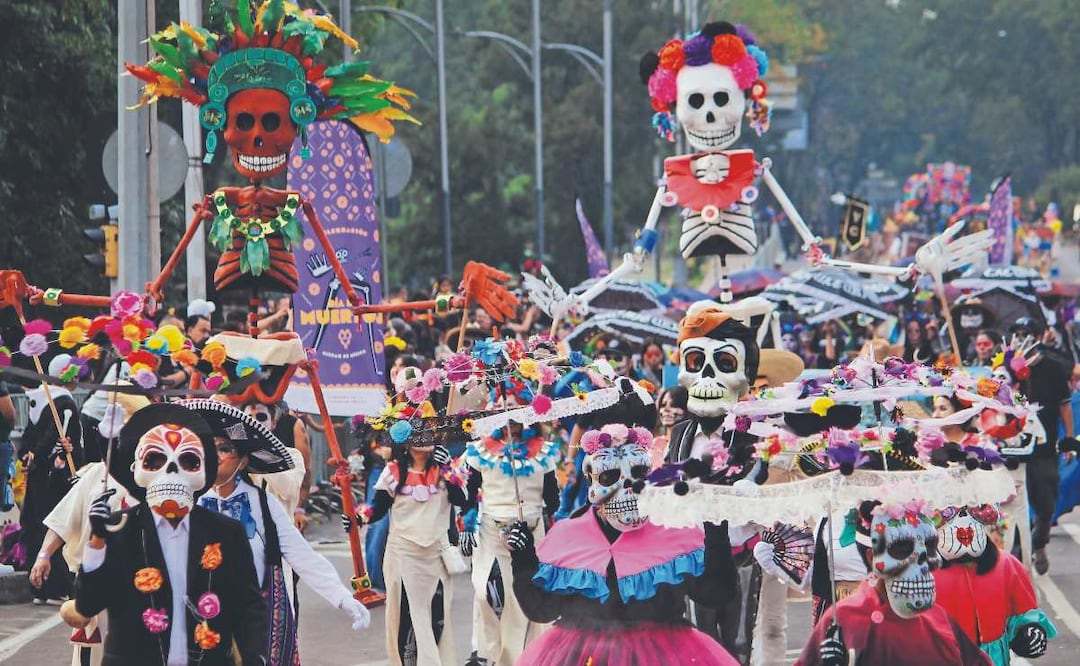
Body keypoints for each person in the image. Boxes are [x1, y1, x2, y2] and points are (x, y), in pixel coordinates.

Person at [510, 421, 739, 665]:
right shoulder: (567, 535)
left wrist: (716, 533)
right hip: (582, 655)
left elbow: (715, 594)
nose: (628, 487)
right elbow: (542, 610)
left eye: (639, 473)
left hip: (663, 655)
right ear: (591, 480)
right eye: (609, 476)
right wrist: (523, 561)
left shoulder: (674, 530)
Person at [68, 403, 268, 665]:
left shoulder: (226, 532)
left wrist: (256, 658)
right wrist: (97, 540)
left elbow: (248, 606)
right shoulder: (120, 530)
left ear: (203, 470)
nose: (172, 470)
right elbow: (88, 605)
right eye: (155, 460)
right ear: (136, 470)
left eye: (188, 460)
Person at [190, 399, 370, 664]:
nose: (215, 456)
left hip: (256, 616)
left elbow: (301, 555)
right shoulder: (193, 502)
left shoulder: (263, 504)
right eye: (210, 448)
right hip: (204, 614)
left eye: (225, 449)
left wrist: (342, 597)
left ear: (242, 462)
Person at [795, 501, 991, 666]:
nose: (922, 563)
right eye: (902, 548)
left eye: (930, 547)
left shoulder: (939, 619)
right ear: (872, 558)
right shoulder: (845, 620)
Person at [343, 425, 469, 666]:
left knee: (436, 618)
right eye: (417, 435)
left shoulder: (445, 470)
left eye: (428, 434)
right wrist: (357, 517)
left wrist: (447, 470)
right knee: (404, 617)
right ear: (406, 443)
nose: (423, 440)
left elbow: (461, 499)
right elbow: (377, 508)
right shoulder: (392, 472)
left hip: (436, 554)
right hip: (403, 554)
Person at [461, 422, 560, 666]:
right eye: (506, 419)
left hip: (531, 535)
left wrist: (529, 515)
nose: (511, 425)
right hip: (490, 535)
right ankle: (485, 651)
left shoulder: (543, 453)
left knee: (522, 601)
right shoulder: (480, 451)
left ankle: (522, 657)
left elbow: (553, 500)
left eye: (517, 419)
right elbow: (469, 496)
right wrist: (465, 525)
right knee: (486, 595)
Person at [933, 504, 1055, 665]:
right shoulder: (921, 572)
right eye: (950, 512)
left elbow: (1024, 612)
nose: (962, 519)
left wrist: (1028, 633)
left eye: (972, 509)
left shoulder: (1005, 565)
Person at [1010, 318, 1076, 574]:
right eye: (1016, 333)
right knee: (1012, 501)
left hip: (1044, 446)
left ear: (1038, 337)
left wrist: (1068, 439)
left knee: (1046, 500)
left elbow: (1064, 404)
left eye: (1025, 334)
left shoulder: (1053, 367)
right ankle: (1016, 550)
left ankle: (1039, 542)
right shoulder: (1004, 367)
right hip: (1011, 448)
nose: (1020, 338)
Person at [19, 382, 82, 604]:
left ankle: (47, 588)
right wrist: (32, 455)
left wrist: (32, 454)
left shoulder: (53, 405)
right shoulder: (63, 404)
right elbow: (52, 440)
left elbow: (49, 441)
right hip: (51, 482)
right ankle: (52, 587)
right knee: (50, 527)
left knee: (42, 527)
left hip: (46, 478)